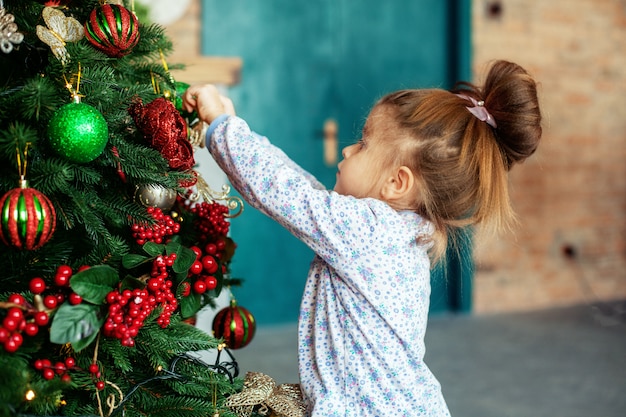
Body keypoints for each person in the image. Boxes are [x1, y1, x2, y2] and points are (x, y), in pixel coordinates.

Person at [182, 59, 542, 417]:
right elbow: (303, 189)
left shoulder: (366, 232)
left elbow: (281, 191)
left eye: (363, 143)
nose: (347, 150)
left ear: (397, 183)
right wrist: (233, 126)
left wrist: (220, 124)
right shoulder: (398, 228)